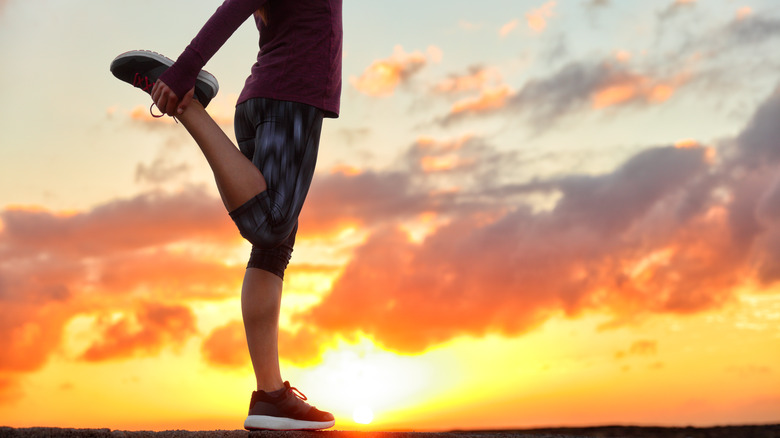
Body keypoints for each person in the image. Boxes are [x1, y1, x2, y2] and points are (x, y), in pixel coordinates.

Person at [109, 0, 342, 431]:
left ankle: (270, 396)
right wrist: (181, 73)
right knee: (271, 224)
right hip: (290, 95)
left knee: (273, 249)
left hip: (265, 98)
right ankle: (189, 105)